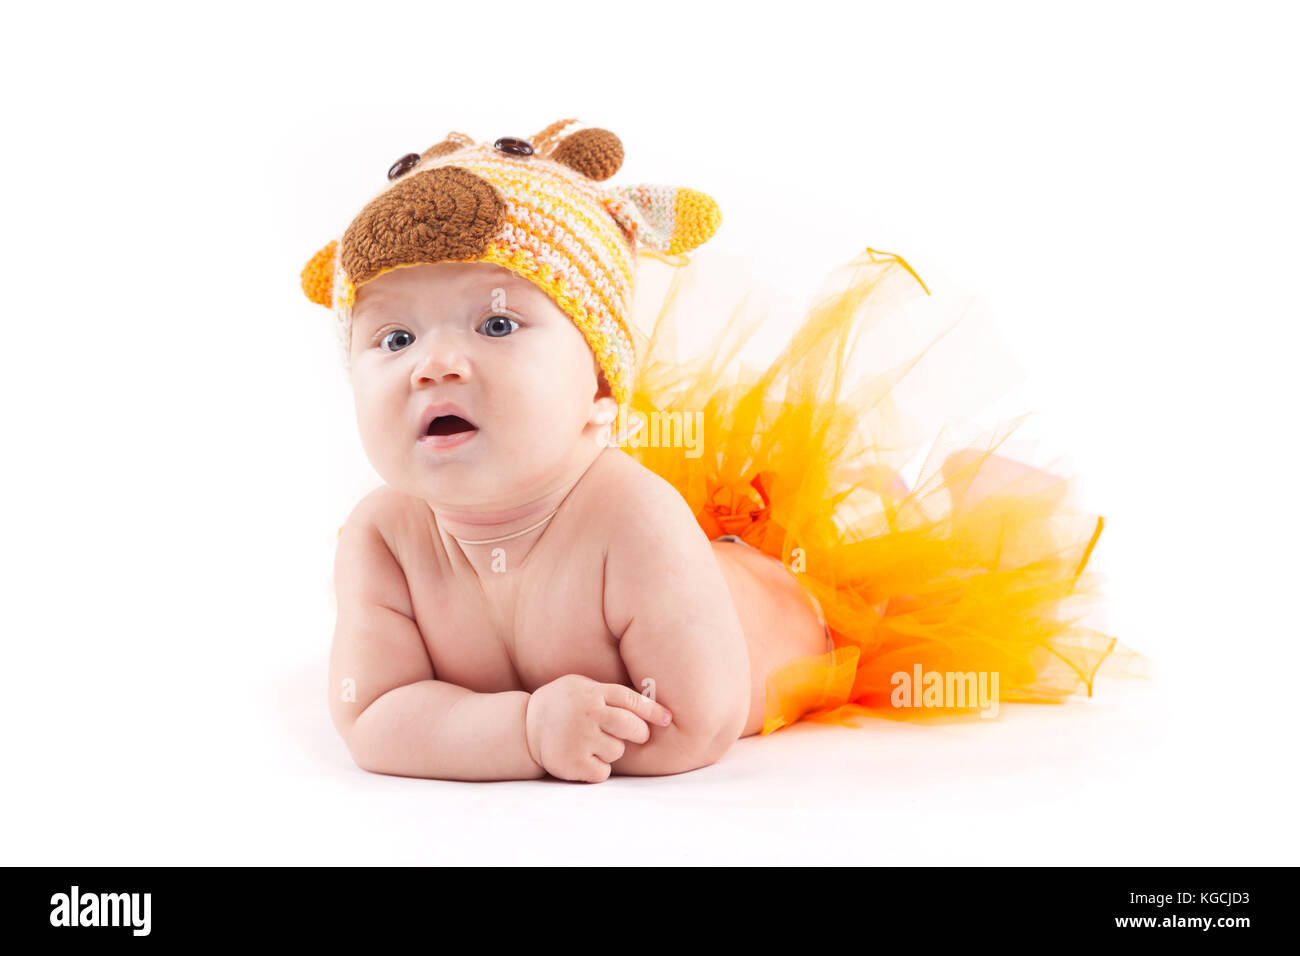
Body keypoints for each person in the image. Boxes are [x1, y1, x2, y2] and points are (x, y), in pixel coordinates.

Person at [300, 118, 1144, 783]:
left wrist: (511, 733)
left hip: (787, 616)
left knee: (823, 600)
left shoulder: (631, 518)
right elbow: (374, 718)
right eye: (394, 337)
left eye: (496, 324)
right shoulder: (381, 538)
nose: (434, 364)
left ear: (601, 391)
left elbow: (699, 723)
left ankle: (787, 574)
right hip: (665, 596)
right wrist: (526, 729)